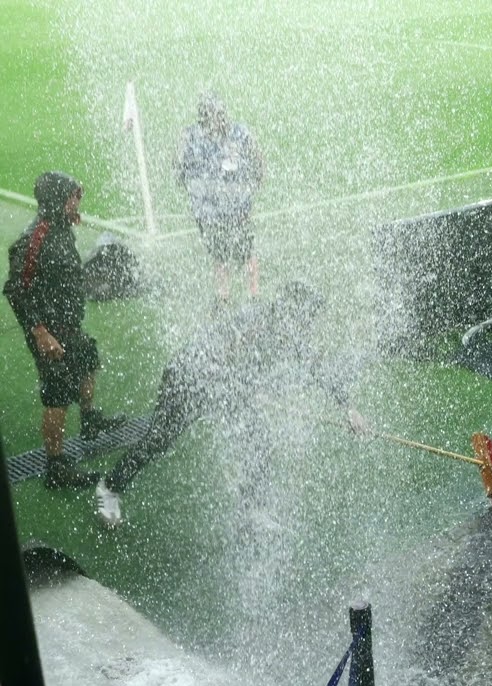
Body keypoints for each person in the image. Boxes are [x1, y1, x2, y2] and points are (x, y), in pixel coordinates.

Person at [94, 281, 367, 527]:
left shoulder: (292, 334)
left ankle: (251, 511)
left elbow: (318, 367)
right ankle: (108, 487)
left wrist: (349, 409)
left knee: (258, 439)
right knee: (159, 440)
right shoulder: (258, 320)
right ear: (291, 309)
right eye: (308, 317)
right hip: (187, 376)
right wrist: (242, 387)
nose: (309, 326)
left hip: (224, 387)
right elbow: (223, 354)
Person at [4, 172, 126, 489]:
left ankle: (88, 420)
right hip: (49, 332)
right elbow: (16, 290)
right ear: (59, 200)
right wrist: (41, 333)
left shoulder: (61, 228)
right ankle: (55, 468)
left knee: (87, 358)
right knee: (57, 392)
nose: (78, 201)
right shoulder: (35, 239)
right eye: (74, 196)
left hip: (68, 325)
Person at [176, 93, 265, 303]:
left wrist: (257, 178)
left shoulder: (236, 133)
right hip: (210, 209)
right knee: (220, 252)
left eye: (220, 114)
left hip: (235, 206)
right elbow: (179, 167)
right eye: (215, 115)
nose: (219, 119)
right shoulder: (193, 137)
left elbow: (257, 157)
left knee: (244, 250)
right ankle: (224, 296)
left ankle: (253, 294)